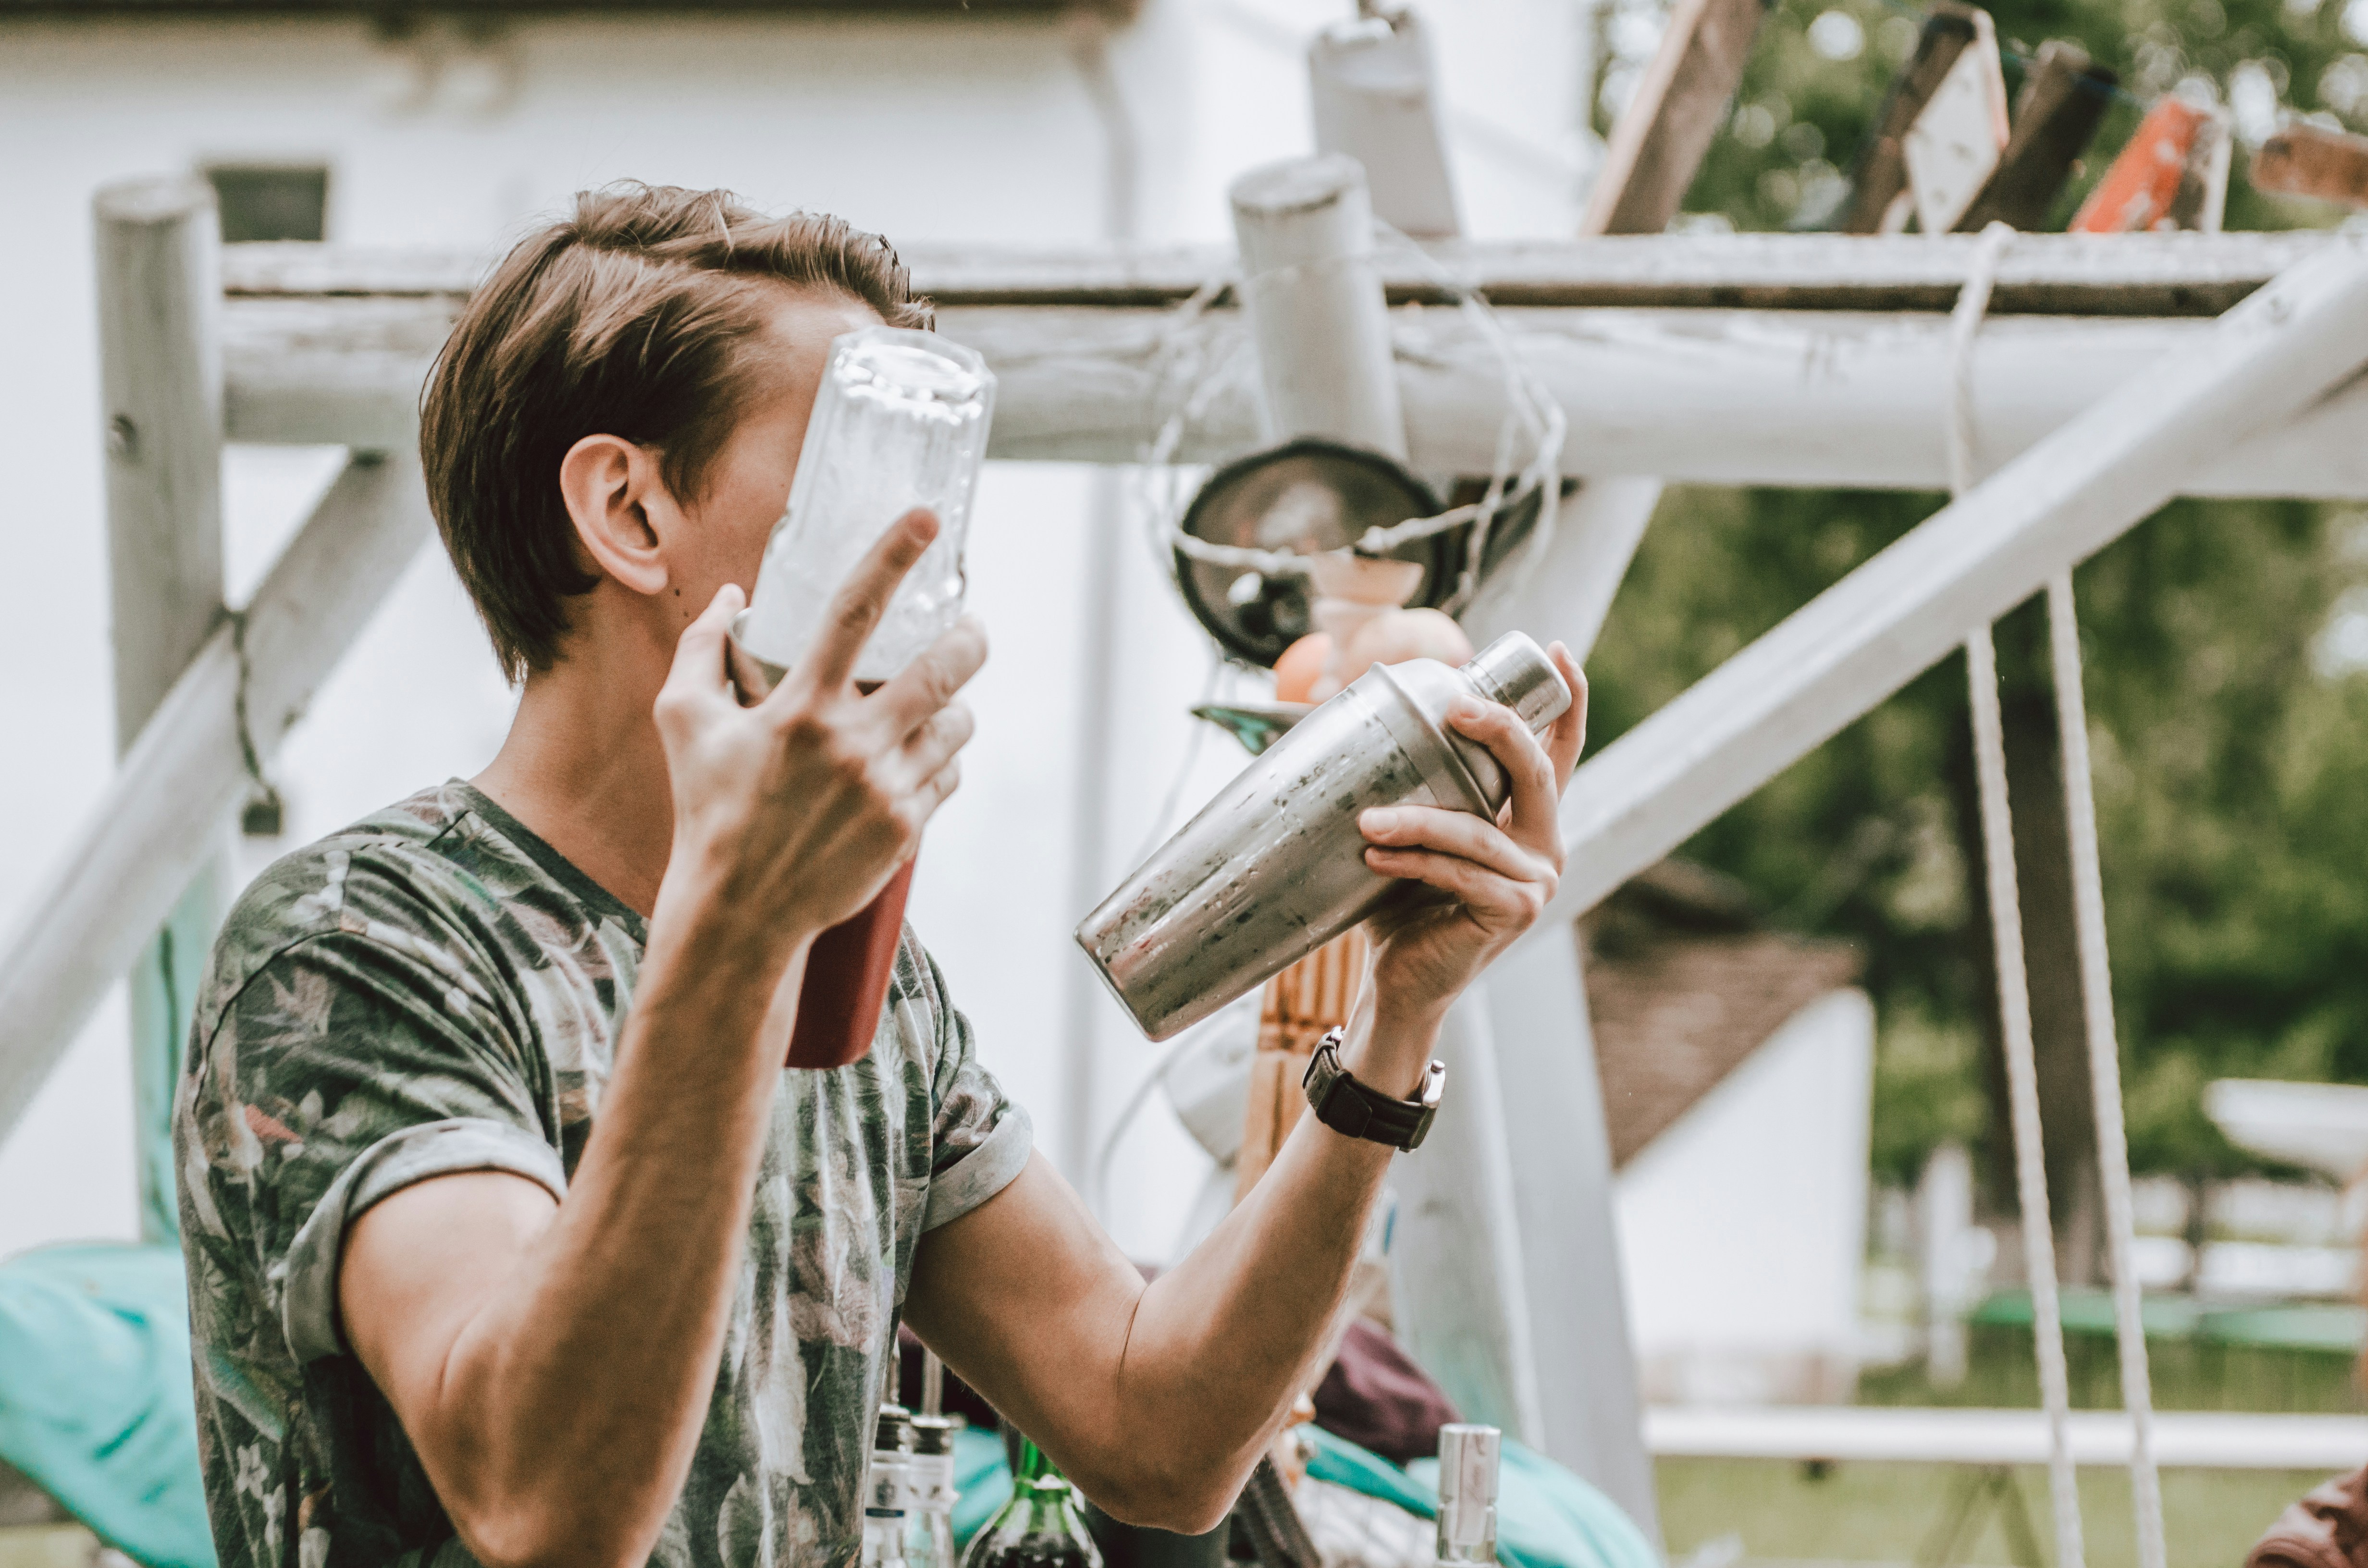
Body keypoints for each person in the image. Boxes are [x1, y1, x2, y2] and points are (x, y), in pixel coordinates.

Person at [173, 183, 1588, 1568]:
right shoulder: (357, 949)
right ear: (630, 511)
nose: (938, 574)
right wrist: (735, 931)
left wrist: (1397, 1032)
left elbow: (1160, 1437)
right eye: (869, 478)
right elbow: (543, 1510)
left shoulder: (864, 971)